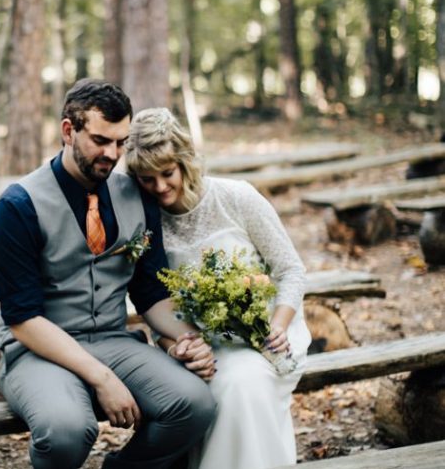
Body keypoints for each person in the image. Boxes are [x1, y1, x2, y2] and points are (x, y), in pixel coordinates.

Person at [0, 80, 216, 469]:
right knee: (67, 431)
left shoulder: (137, 195)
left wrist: (187, 339)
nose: (112, 154)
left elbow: (150, 293)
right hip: (37, 352)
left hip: (112, 340)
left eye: (120, 142)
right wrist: (102, 378)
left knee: (194, 405)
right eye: (99, 140)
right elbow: (22, 319)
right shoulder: (18, 205)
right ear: (68, 130)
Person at [124, 107, 312, 469]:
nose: (160, 187)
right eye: (147, 179)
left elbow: (290, 270)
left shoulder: (236, 197)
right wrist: (176, 345)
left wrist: (276, 326)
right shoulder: (145, 223)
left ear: (184, 162)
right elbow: (153, 304)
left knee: (240, 384)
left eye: (167, 173)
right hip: (196, 344)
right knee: (208, 387)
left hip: (266, 337)